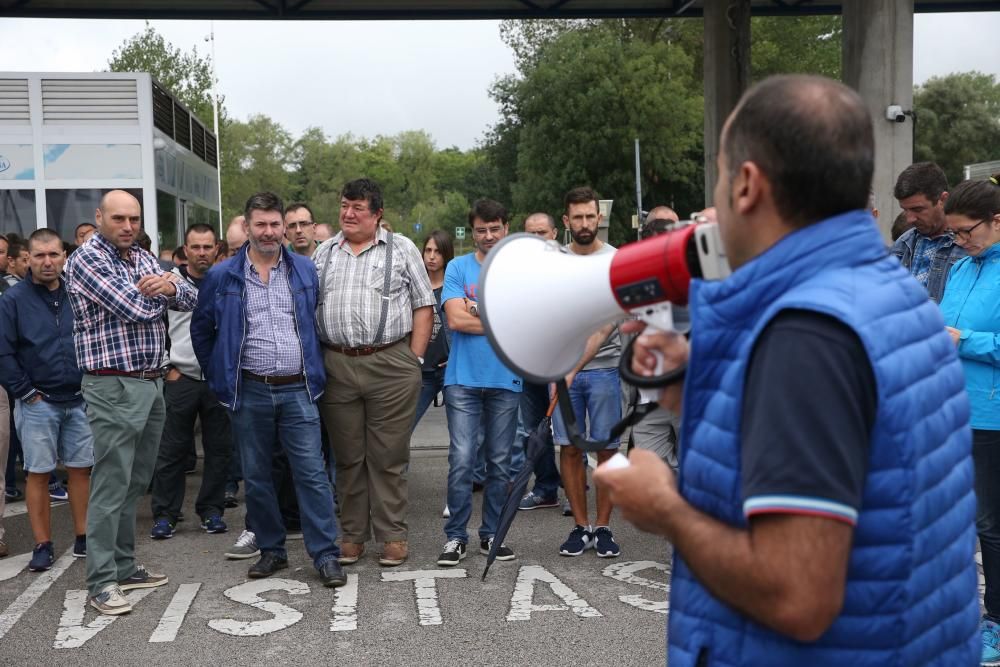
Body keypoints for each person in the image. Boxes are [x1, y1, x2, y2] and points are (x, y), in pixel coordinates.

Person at [595, 75, 978, 664]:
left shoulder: (807, 332)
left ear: (747, 184)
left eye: (720, 175)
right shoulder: (888, 294)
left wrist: (665, 507)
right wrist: (702, 393)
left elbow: (797, 595)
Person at [191, 192, 345, 588]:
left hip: (298, 389)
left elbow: (314, 324)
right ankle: (272, 550)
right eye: (261, 224)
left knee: (311, 474)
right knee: (257, 478)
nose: (270, 232)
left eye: (276, 224)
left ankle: (326, 554)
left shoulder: (304, 271)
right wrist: (218, 375)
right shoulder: (223, 276)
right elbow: (202, 331)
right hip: (250, 390)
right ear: (247, 226)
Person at [66, 190, 198, 616]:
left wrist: (173, 283)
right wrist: (168, 288)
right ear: (99, 217)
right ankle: (102, 581)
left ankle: (123, 566)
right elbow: (134, 308)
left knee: (136, 481)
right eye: (119, 218)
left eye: (134, 219)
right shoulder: (87, 259)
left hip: (150, 381)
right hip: (112, 385)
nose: (128, 226)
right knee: (110, 483)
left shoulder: (138, 257)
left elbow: (192, 297)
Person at [314, 178, 434, 568]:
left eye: (358, 208)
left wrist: (413, 360)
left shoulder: (402, 249)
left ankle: (392, 536)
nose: (348, 214)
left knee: (387, 456)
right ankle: (351, 535)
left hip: (390, 363)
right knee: (347, 457)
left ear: (377, 214)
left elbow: (423, 303)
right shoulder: (324, 252)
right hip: (336, 363)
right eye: (344, 205)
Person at [436, 199, 522, 567]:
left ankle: (491, 534)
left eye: (494, 228)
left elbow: (527, 316)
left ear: (505, 228)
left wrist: (475, 307)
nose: (487, 236)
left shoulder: (520, 269)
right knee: (462, 459)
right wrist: (500, 314)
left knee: (500, 463)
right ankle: (456, 537)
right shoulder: (457, 266)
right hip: (462, 381)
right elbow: (455, 321)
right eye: (480, 230)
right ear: (471, 231)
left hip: (506, 377)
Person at [0, 229, 92, 570]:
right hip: (38, 402)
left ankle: (83, 537)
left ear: (64, 256)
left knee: (81, 470)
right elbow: (3, 352)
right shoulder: (12, 300)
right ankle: (43, 544)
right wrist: (26, 392)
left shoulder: (77, 292)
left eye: (53, 254)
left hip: (79, 399)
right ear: (28, 259)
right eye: (39, 256)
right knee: (38, 473)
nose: (47, 261)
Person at [938, 174, 1000, 665]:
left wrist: (966, 340)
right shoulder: (961, 267)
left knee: (989, 524)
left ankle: (995, 623)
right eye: (953, 233)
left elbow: (967, 338)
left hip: (992, 418)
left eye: (965, 231)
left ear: (997, 221)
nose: (958, 241)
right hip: (948, 409)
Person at [550, 187, 623, 558]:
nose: (583, 223)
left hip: (605, 370)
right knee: (570, 449)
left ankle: (605, 527)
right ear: (566, 221)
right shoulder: (555, 263)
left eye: (589, 216)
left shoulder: (613, 261)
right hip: (562, 373)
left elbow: (607, 325)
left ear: (599, 218)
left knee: (608, 450)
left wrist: (571, 369)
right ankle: (580, 526)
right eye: (576, 217)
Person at [149, 224, 232, 540]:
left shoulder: (227, 281)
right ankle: (166, 515)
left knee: (219, 449)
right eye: (195, 247)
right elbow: (154, 327)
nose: (201, 253)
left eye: (207, 247)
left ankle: (211, 511)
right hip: (180, 377)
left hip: (217, 378)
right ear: (184, 250)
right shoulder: (170, 284)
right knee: (171, 451)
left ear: (216, 249)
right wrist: (167, 366)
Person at [517, 212, 563, 512]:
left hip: (563, 361)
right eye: (530, 234)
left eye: (542, 233)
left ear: (555, 233)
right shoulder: (515, 270)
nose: (536, 239)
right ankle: (547, 488)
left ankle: (576, 491)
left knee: (568, 432)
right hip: (528, 361)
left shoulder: (569, 265)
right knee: (533, 430)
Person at [892, 161, 965, 303]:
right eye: (904, 210)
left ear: (943, 199)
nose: (910, 219)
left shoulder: (968, 245)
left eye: (917, 209)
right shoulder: (902, 244)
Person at [412, 229, 454, 429]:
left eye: (437, 251)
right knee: (401, 430)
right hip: (420, 371)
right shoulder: (413, 287)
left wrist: (456, 355)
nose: (431, 256)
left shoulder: (454, 289)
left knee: (461, 433)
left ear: (446, 254)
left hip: (449, 370)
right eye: (427, 250)